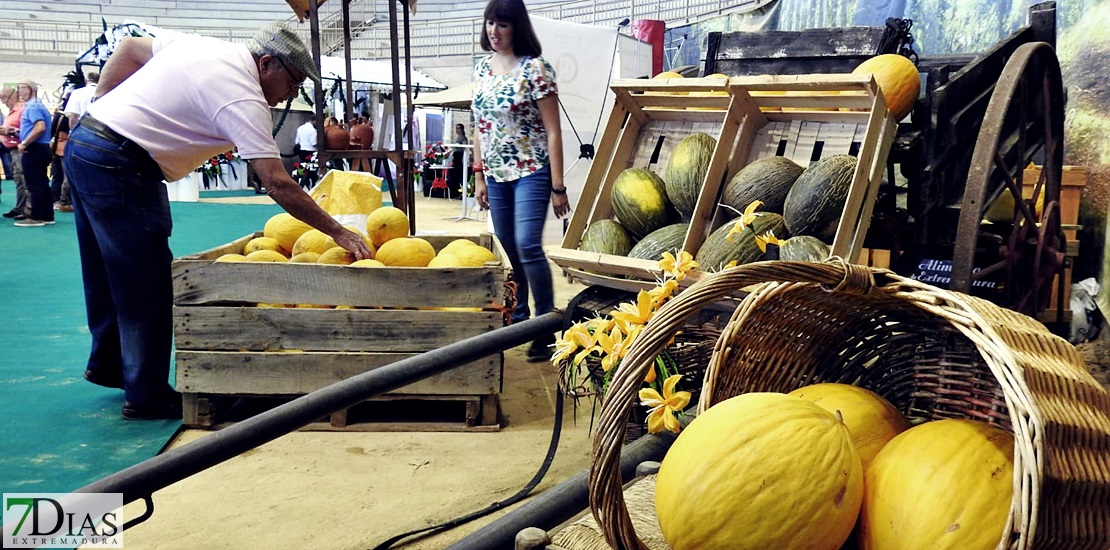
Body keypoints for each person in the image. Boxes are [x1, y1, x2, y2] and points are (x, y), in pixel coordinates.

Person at [63, 22, 372, 420]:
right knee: (147, 284)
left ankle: (110, 366)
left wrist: (102, 103)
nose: (291, 94)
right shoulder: (243, 97)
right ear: (266, 63)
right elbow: (276, 182)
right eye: (293, 82)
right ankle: (146, 396)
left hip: (88, 144)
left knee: (106, 271)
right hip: (124, 165)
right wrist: (338, 231)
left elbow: (130, 48)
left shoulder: (203, 46)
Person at [472, 0, 570, 362]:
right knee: (510, 250)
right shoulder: (482, 68)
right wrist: (478, 175)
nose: (494, 31)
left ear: (518, 28)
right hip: (495, 174)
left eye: (503, 24)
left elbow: (553, 131)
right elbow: (480, 127)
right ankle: (520, 318)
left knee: (528, 245)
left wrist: (558, 186)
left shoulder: (536, 69)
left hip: (532, 170)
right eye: (489, 24)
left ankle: (545, 326)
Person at [13, 79, 53, 227]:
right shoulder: (38, 105)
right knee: (42, 183)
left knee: (34, 184)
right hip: (42, 147)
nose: (18, 91)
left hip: (34, 148)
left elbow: (40, 127)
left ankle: (36, 217)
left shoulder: (32, 106)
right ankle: (47, 215)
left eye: (20, 88)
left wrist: (25, 142)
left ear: (30, 89)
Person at [0, 87, 25, 215]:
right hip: (12, 150)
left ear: (12, 96)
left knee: (23, 179)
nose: (3, 102)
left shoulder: (22, 110)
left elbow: (27, 131)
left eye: (3, 98)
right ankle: (20, 208)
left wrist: (8, 131)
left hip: (20, 149)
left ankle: (26, 209)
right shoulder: (12, 111)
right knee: (18, 180)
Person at [292, 116, 318, 189]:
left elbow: (297, 141)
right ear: (313, 120)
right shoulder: (313, 131)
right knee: (312, 170)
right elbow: (314, 143)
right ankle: (311, 186)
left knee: (303, 169)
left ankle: (299, 181)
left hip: (302, 151)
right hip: (311, 152)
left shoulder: (300, 128)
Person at [448, 122, 468, 199]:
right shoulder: (458, 137)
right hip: (456, 158)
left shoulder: (463, 138)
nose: (457, 130)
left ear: (462, 129)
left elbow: (465, 147)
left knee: (459, 176)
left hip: (460, 158)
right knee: (455, 176)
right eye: (456, 128)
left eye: (458, 128)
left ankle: (459, 193)